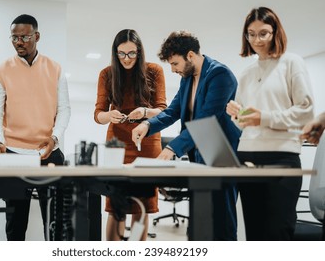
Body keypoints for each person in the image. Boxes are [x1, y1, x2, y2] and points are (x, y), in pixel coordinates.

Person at [132, 30, 241, 240]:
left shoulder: (220, 75)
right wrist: (147, 125)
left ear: (190, 55)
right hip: (198, 156)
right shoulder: (187, 79)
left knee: (221, 221)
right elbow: (173, 111)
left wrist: (172, 147)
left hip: (220, 156)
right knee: (199, 223)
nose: (173, 70)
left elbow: (206, 120)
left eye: (174, 64)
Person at [226, 7, 314, 240]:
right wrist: (236, 115)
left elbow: (305, 111)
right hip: (247, 155)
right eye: (251, 34)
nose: (257, 40)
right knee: (254, 233)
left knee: (278, 232)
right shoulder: (246, 73)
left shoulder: (292, 63)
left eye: (263, 33)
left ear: (276, 32)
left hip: (281, 156)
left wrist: (263, 117)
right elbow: (244, 124)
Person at [0, 14, 71, 241]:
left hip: (48, 151)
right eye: (14, 37)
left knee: (56, 222)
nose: (19, 42)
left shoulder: (55, 69)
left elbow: (64, 109)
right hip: (13, 152)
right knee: (15, 222)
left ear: (37, 36)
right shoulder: (2, 69)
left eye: (24, 37)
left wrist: (54, 138)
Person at [94, 29, 167, 241]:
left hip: (147, 143)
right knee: (116, 206)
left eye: (132, 53)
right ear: (115, 53)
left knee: (141, 208)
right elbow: (98, 115)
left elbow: (163, 110)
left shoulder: (154, 71)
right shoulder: (107, 74)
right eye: (122, 54)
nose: (127, 59)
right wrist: (109, 115)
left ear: (140, 52)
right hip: (116, 145)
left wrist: (145, 112)